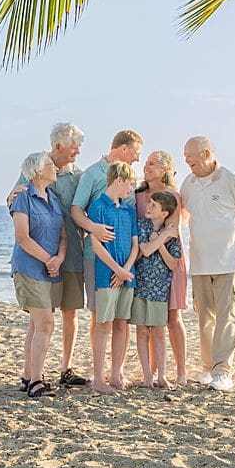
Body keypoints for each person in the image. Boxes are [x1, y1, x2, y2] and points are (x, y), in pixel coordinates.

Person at [8, 121, 89, 387]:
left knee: (70, 312)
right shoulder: (37, 168)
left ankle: (66, 368)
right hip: (39, 258)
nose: (77, 152)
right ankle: (31, 375)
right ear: (58, 146)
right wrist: (11, 198)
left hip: (70, 253)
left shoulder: (78, 176)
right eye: (73, 148)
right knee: (41, 318)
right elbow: (14, 201)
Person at [179, 136, 235, 392]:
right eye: (185, 155)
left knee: (227, 316)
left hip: (230, 260)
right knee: (204, 317)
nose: (186, 160)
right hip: (200, 262)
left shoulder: (231, 180)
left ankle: (223, 371)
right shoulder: (188, 184)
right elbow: (182, 217)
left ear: (206, 153)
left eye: (190, 155)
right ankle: (208, 367)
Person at [10, 151, 66, 399]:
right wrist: (48, 260)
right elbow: (22, 237)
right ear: (37, 171)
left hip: (51, 269)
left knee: (36, 324)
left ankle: (28, 375)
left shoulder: (53, 199)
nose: (55, 168)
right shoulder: (23, 198)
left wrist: (59, 258)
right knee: (46, 323)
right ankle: (36, 381)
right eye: (50, 164)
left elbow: (63, 235)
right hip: (29, 268)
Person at [136, 151, 189, 386]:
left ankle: (181, 372)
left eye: (152, 164)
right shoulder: (138, 195)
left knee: (172, 317)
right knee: (149, 320)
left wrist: (155, 242)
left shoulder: (172, 196)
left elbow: (172, 232)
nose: (146, 167)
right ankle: (152, 371)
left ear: (164, 170)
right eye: (146, 163)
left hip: (169, 262)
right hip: (145, 265)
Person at [86, 161, 139, 391]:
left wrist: (125, 270)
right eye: (130, 184)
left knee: (121, 324)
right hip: (106, 276)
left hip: (127, 275)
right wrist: (117, 270)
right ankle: (98, 379)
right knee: (103, 325)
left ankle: (116, 375)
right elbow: (96, 244)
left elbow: (135, 245)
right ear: (119, 180)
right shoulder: (98, 207)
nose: (131, 189)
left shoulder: (129, 210)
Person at [132, 188, 181, 387]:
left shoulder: (173, 233)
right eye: (149, 202)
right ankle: (147, 376)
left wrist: (160, 244)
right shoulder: (141, 226)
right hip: (140, 286)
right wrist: (162, 237)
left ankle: (162, 375)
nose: (148, 206)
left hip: (160, 289)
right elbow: (145, 249)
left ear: (164, 213)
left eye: (154, 205)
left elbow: (173, 263)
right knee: (142, 331)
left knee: (159, 332)